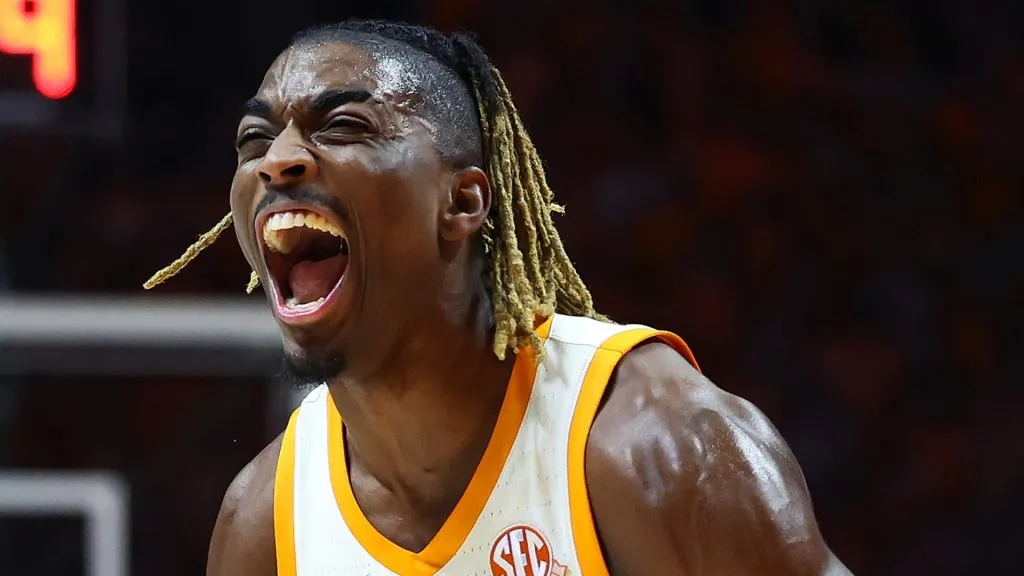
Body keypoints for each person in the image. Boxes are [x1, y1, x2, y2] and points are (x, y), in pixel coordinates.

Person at [147, 19, 850, 576]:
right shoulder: (266, 524)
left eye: (343, 127)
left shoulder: (659, 448)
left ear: (463, 202)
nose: (277, 159)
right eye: (254, 140)